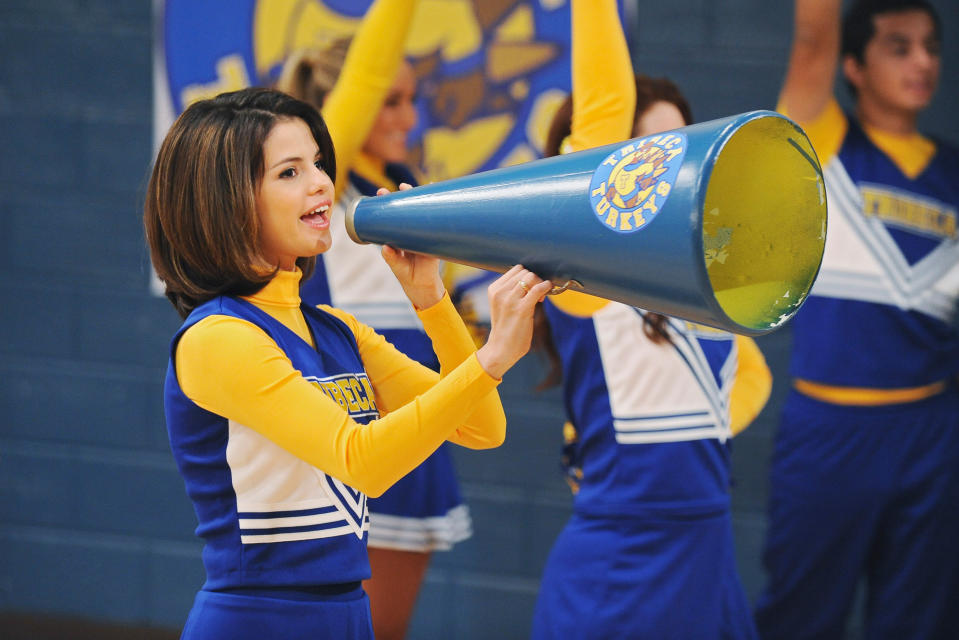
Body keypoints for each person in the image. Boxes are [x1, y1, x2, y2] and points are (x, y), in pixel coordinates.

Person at [143, 86, 552, 639]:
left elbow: (482, 426)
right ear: (227, 199)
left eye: (317, 163)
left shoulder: (337, 330)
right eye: (289, 172)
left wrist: (430, 299)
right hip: (256, 621)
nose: (320, 182)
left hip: (346, 616)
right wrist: (495, 354)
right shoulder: (217, 338)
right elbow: (363, 462)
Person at [529, 1, 772, 638]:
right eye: (651, 150)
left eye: (683, 146)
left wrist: (692, 433)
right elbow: (605, 102)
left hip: (708, 551)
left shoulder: (710, 277)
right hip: (618, 568)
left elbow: (753, 380)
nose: (672, 166)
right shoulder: (583, 271)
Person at [754, 1, 959, 638]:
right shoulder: (823, 142)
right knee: (800, 617)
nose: (923, 61)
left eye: (930, 46)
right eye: (899, 47)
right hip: (830, 432)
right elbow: (813, 36)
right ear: (854, 66)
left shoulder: (954, 172)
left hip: (933, 434)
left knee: (920, 623)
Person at [274, 2, 470, 637]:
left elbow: (440, 297)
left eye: (412, 101)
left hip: (416, 416)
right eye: (390, 101)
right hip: (346, 417)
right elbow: (360, 83)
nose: (408, 119)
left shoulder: (408, 184)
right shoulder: (324, 183)